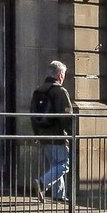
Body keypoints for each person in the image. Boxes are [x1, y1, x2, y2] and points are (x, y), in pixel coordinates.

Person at [31, 59, 75, 201]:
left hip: (43, 135)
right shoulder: (60, 91)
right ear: (59, 75)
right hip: (57, 135)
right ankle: (43, 182)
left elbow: (32, 114)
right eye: (63, 75)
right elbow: (67, 115)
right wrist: (71, 133)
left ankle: (59, 195)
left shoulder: (38, 91)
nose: (63, 78)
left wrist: (37, 134)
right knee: (64, 165)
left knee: (55, 165)